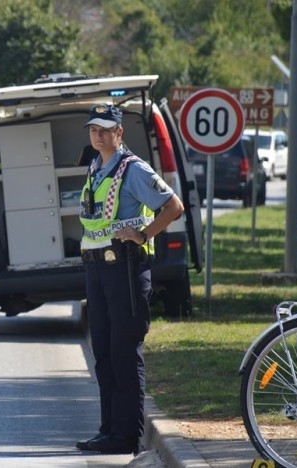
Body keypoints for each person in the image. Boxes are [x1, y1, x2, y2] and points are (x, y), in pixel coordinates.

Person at [76, 104, 184, 455]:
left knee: (124, 353)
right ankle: (109, 431)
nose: (99, 135)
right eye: (94, 129)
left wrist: (144, 233)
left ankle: (127, 435)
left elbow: (173, 206)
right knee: (104, 353)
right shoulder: (96, 166)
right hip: (98, 268)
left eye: (106, 130)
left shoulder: (133, 169)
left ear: (120, 133)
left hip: (124, 269)